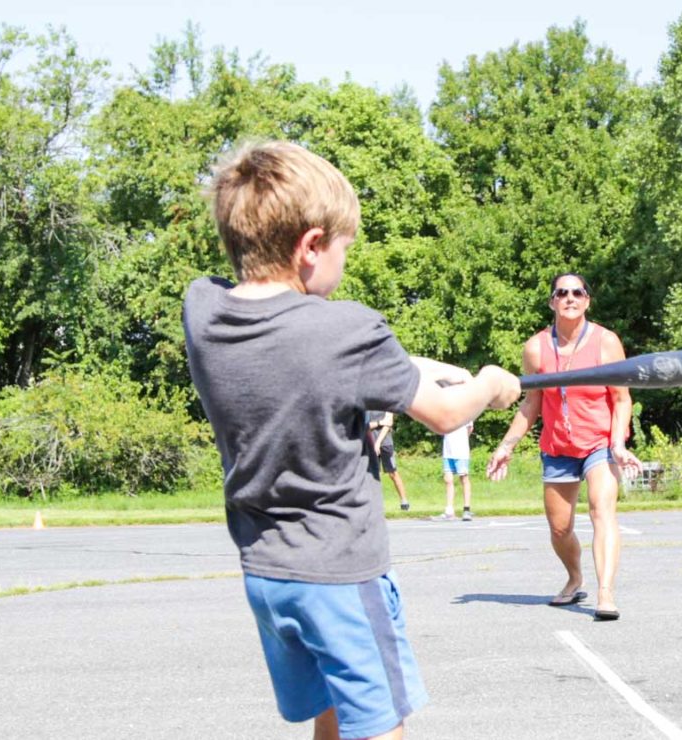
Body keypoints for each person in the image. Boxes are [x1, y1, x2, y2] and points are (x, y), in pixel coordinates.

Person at [184, 140, 521, 740]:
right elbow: (445, 415)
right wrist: (491, 385)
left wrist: (427, 368)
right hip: (340, 573)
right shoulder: (346, 330)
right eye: (344, 247)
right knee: (380, 725)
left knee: (333, 716)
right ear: (311, 245)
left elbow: (332, 358)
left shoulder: (204, 310)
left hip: (268, 573)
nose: (346, 262)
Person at [486, 273, 640, 622]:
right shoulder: (536, 347)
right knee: (559, 528)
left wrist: (617, 442)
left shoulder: (605, 342)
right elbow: (531, 403)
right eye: (562, 293)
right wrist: (506, 446)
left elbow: (621, 397)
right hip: (557, 446)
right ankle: (575, 578)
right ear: (552, 302)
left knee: (602, 511)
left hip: (599, 443)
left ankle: (605, 594)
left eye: (577, 292)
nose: (570, 297)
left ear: (587, 300)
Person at [367, 411, 412, 511]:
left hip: (386, 444)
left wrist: (378, 443)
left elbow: (389, 423)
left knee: (393, 473)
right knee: (374, 475)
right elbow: (365, 426)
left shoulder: (387, 405)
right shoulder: (368, 405)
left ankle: (404, 501)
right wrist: (380, 422)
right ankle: (375, 503)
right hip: (370, 443)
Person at [431, 422, 474, 522]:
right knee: (448, 480)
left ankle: (466, 509)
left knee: (464, 478)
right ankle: (449, 510)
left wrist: (461, 440)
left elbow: (470, 429)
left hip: (461, 451)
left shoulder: (466, 411)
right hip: (448, 450)